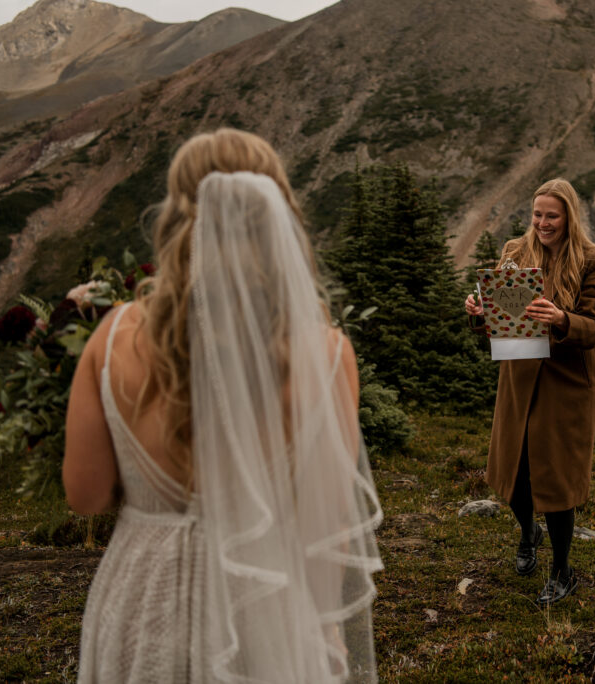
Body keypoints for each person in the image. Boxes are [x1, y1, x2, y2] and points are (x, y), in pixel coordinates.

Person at [63, 128, 383, 682]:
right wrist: (323, 632)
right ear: (278, 219)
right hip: (266, 604)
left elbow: (85, 495)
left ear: (177, 218)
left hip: (143, 605)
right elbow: (325, 533)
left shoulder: (114, 337)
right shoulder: (325, 355)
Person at [465, 178, 595, 605]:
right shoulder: (515, 251)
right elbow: (498, 315)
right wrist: (478, 311)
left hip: (565, 383)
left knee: (556, 475)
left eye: (552, 215)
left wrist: (563, 318)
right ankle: (528, 532)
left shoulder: (592, 260)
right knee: (515, 469)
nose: (542, 223)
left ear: (568, 217)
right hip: (518, 373)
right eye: (537, 214)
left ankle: (563, 569)